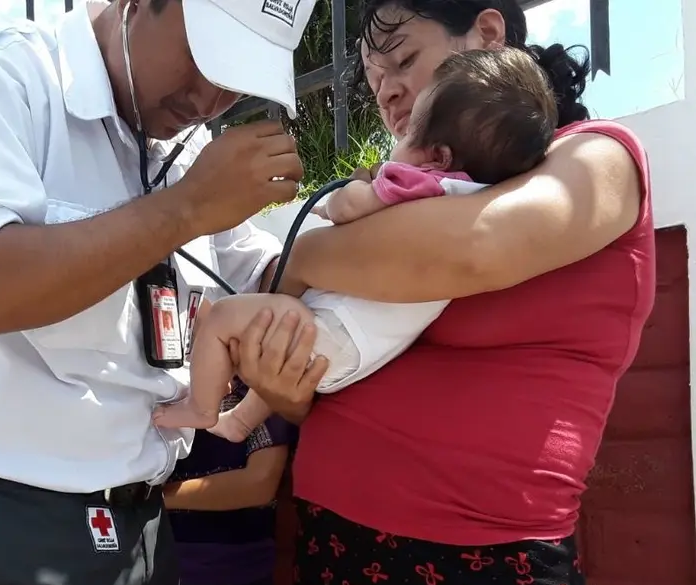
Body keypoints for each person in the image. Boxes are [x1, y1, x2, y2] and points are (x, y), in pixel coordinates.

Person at [228, 2, 655, 585]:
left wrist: (304, 253)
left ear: (487, 33)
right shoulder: (402, 189)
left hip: (486, 568)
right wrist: (288, 390)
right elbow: (326, 371)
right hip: (342, 551)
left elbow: (469, 249)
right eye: (373, 76)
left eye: (404, 60)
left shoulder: (597, 157)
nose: (387, 90)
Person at [0, 0, 318, 585]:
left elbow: (268, 272)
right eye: (207, 58)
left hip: (145, 527)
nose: (211, 97)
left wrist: (392, 209)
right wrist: (181, 210)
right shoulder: (4, 75)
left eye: (237, 80)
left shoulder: (183, 145)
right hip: (15, 526)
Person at [154, 46, 557, 441]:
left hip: (332, 329)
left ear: (438, 156)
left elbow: (347, 207)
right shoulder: (472, 196)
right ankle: (241, 421)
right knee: (276, 332)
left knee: (223, 317)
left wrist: (346, 195)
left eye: (413, 128)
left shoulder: (418, 181)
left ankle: (201, 409)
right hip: (361, 352)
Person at [163, 380, 293, 585]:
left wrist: (152, 499)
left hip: (238, 584)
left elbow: (258, 484)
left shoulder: (261, 389)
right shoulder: (165, 384)